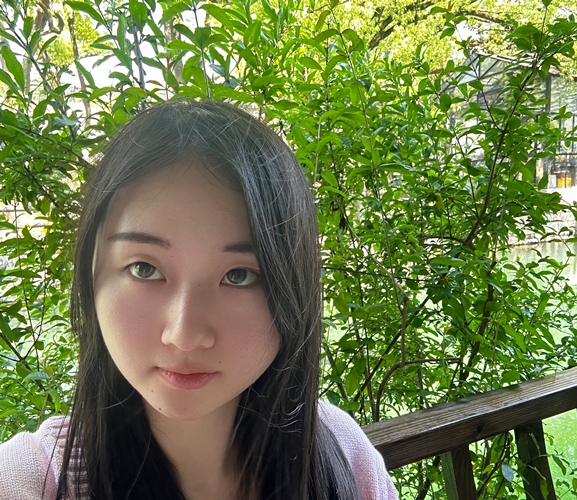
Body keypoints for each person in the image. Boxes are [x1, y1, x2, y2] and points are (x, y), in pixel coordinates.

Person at [0, 100, 398, 500]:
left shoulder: (343, 453)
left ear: (293, 287)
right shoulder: (28, 480)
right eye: (144, 268)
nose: (184, 335)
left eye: (239, 275)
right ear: (91, 274)